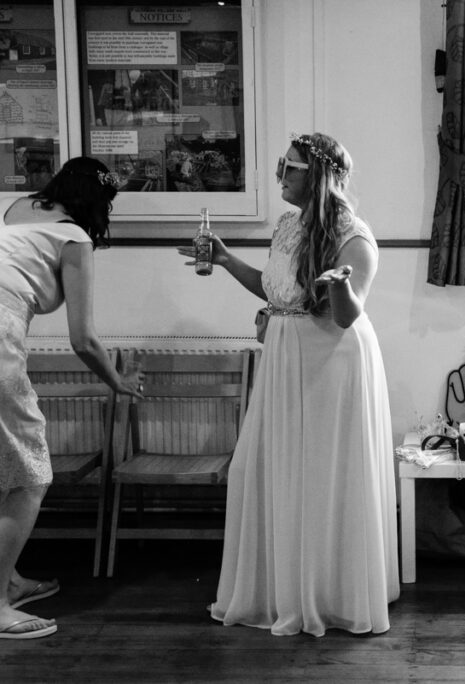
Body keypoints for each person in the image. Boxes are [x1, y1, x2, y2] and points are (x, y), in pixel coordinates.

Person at [178, 132, 399, 636]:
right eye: (282, 163)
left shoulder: (354, 235)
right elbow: (276, 289)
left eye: (291, 166)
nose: (280, 173)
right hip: (283, 357)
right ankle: (283, 587)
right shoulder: (287, 225)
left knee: (322, 475)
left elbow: (347, 316)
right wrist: (225, 256)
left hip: (331, 362)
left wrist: (340, 287)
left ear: (318, 175)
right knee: (273, 468)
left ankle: (329, 592)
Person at [0, 157, 143, 640]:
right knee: (30, 474)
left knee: (3, 470)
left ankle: (12, 580)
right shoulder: (74, 238)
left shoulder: (17, 210)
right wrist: (117, 381)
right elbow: (83, 339)